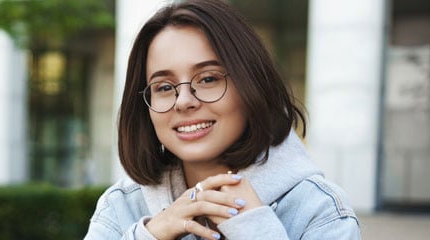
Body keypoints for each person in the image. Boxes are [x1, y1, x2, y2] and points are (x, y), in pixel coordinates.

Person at [84, 0, 361, 239]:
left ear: (251, 85)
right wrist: (152, 235)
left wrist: (256, 231)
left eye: (207, 79)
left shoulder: (319, 209)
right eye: (164, 87)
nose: (184, 102)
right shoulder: (122, 206)